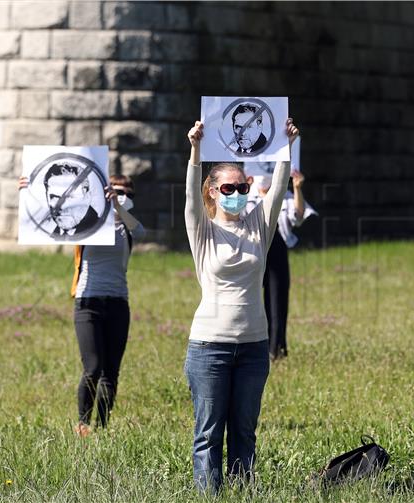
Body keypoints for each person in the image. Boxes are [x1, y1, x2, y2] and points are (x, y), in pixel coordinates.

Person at [184, 117, 299, 493]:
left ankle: (243, 494)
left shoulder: (259, 225)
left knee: (245, 434)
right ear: (213, 192)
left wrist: (286, 145)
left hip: (252, 348)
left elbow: (279, 189)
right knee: (208, 435)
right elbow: (188, 196)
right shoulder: (203, 229)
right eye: (228, 187)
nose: (237, 191)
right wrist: (196, 149)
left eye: (242, 185)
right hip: (208, 347)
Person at [19, 173, 144, 436]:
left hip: (119, 303)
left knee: (112, 372)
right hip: (88, 302)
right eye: (116, 192)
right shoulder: (89, 225)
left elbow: (140, 231)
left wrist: (118, 207)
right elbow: (51, 213)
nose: (121, 197)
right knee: (93, 367)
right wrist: (28, 191)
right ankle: (83, 424)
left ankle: (104, 427)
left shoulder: (128, 228)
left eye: (127, 194)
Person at [243, 167, 317, 360]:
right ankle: (247, 345)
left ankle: (276, 348)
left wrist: (298, 188)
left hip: (277, 247)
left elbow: (298, 217)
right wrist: (244, 187)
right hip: (252, 249)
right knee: (246, 298)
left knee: (277, 299)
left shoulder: (285, 195)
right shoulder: (245, 192)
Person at [43, 163, 100, 239]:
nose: (62, 206)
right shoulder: (47, 238)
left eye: (70, 197)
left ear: (87, 198)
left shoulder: (104, 232)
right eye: (54, 197)